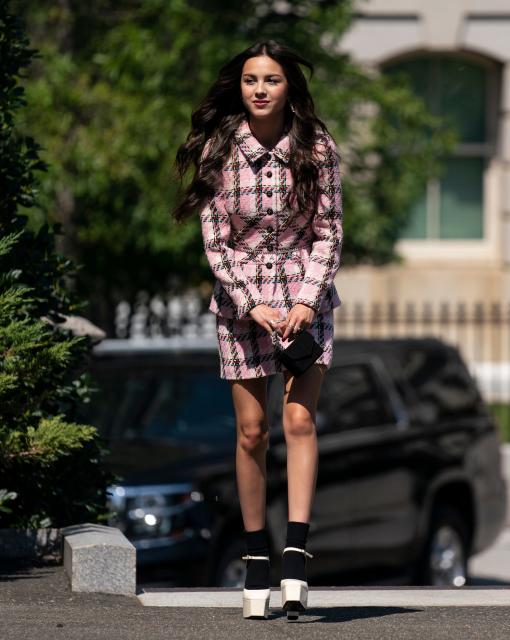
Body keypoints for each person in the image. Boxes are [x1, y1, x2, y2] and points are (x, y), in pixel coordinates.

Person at [171, 39, 343, 620]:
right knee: (251, 432)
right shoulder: (220, 149)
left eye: (270, 79)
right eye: (250, 80)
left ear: (288, 85)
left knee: (298, 418)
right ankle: (256, 556)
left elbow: (330, 233)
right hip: (240, 306)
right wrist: (251, 304)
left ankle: (295, 552)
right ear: (239, 86)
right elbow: (215, 242)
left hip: (304, 303)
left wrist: (304, 301)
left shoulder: (316, 148)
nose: (260, 89)